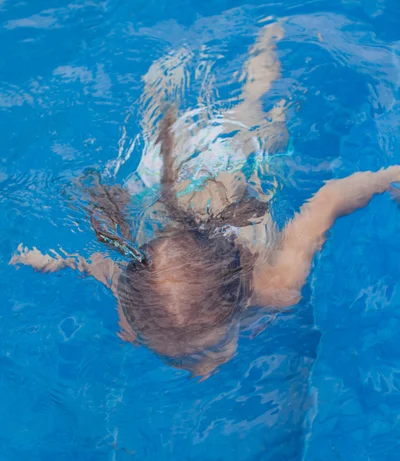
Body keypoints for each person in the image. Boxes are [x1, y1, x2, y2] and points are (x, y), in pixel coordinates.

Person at [10, 22, 400, 377]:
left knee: (261, 114)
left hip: (230, 165)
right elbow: (105, 267)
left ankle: (269, 36)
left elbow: (329, 199)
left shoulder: (278, 285)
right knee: (167, 149)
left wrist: (388, 177)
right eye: (181, 359)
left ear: (243, 295)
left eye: (207, 350)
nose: (203, 373)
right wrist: (56, 261)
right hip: (180, 192)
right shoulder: (137, 312)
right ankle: (170, 88)